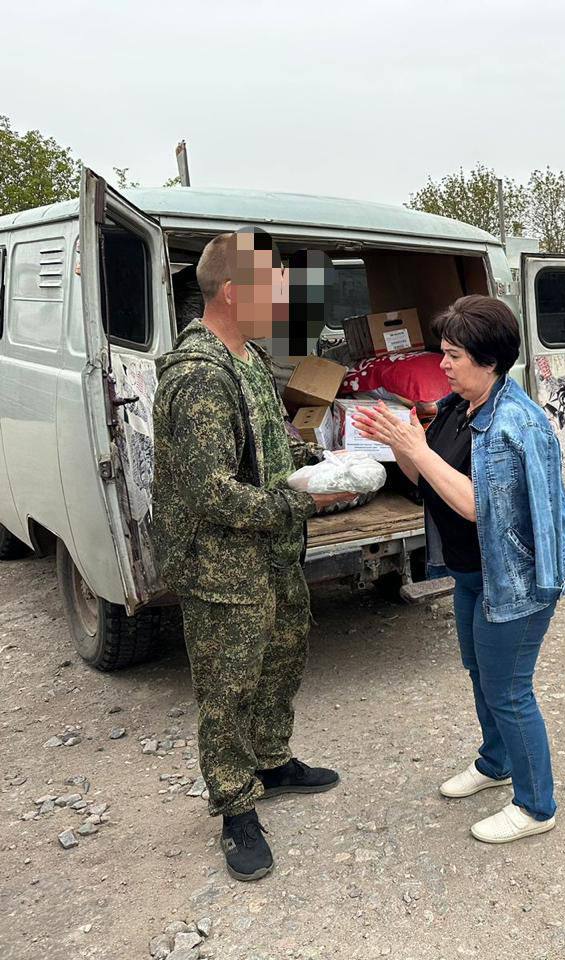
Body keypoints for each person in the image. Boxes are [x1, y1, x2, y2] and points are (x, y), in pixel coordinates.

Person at [153, 231, 352, 882]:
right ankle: (236, 804)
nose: (288, 294)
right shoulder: (201, 375)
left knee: (282, 655)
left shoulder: (249, 357)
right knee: (227, 686)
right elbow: (210, 492)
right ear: (236, 295)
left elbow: (271, 444)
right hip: (223, 564)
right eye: (276, 284)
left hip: (268, 551)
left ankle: (271, 760)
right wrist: (299, 506)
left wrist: (320, 465)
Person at [353, 295, 565, 845]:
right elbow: (425, 476)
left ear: (489, 359)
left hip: (517, 582)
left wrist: (416, 448)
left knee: (509, 689)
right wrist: (399, 443)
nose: (444, 365)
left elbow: (481, 505)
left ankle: (536, 805)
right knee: (481, 674)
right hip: (474, 573)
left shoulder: (514, 424)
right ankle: (495, 762)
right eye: (444, 353)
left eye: (454, 354)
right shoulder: (461, 405)